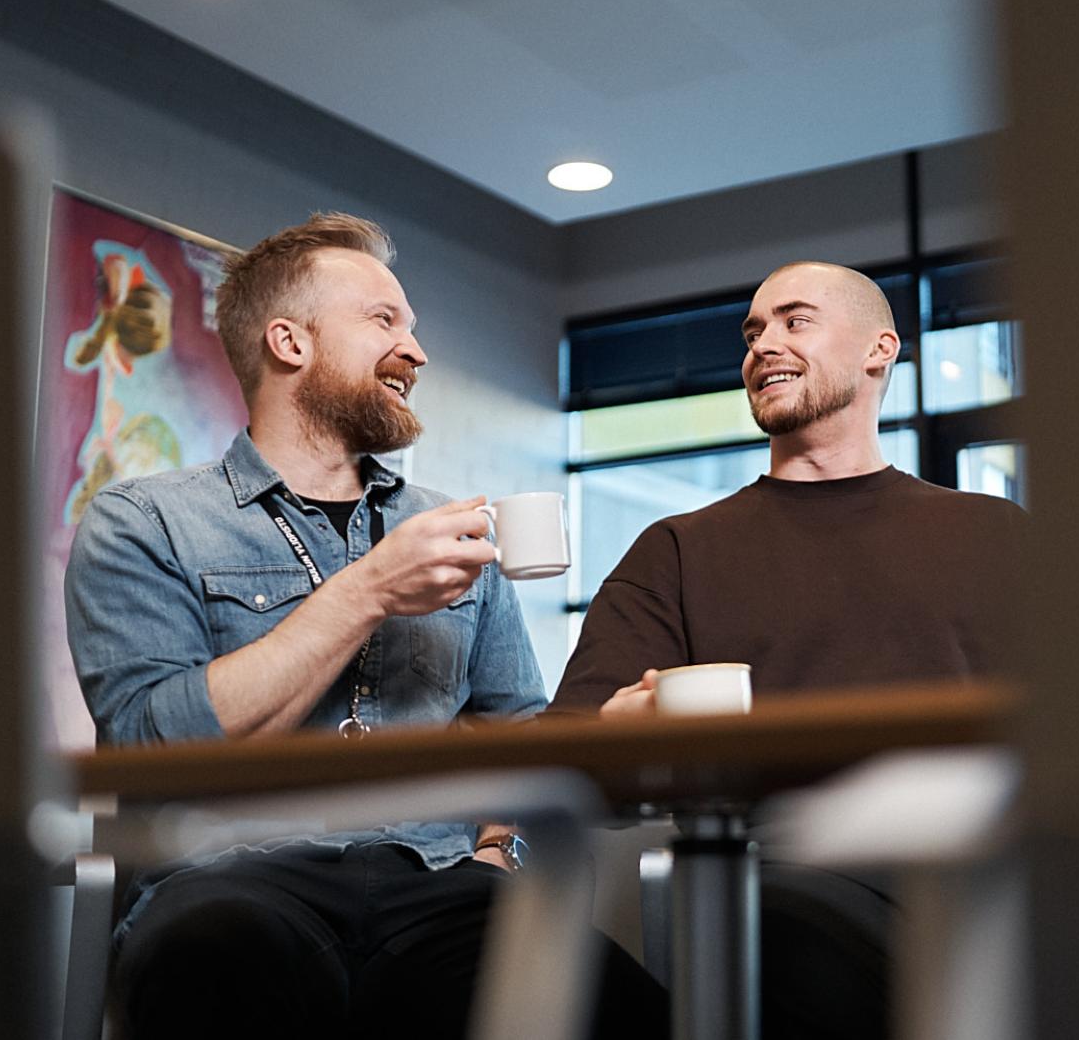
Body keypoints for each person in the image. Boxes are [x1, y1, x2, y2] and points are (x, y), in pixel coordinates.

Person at [65, 212, 664, 1038]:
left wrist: (511, 836)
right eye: (384, 320)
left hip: (439, 880)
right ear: (289, 342)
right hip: (232, 876)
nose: (415, 351)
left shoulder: (447, 526)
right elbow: (149, 741)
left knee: (626, 1005)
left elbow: (513, 730)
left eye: (412, 327)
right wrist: (370, 588)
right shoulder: (144, 521)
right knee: (207, 965)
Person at [550, 260, 1026, 1039]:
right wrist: (623, 728)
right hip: (779, 881)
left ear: (880, 348)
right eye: (752, 331)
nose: (762, 343)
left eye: (793, 320)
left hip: (974, 869)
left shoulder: (995, 534)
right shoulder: (676, 551)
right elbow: (571, 749)